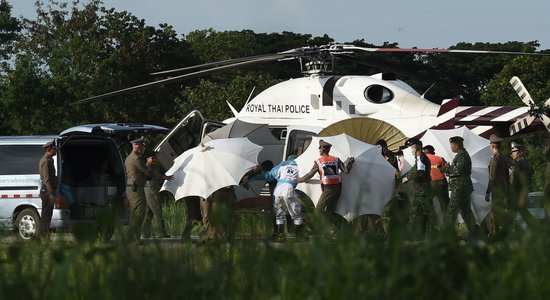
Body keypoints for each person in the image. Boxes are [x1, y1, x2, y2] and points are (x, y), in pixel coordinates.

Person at [298, 139, 354, 232]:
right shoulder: (336, 159)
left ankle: (332, 229)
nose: (319, 150)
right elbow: (346, 171)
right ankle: (338, 229)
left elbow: (309, 175)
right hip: (338, 188)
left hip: (328, 189)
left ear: (322, 149)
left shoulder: (318, 161)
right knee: (329, 212)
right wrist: (350, 163)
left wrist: (299, 180)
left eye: (319, 148)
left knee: (318, 212)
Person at [443, 136, 477, 237]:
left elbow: (459, 171)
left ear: (456, 145)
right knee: (466, 212)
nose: (451, 148)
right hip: (462, 187)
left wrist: (446, 169)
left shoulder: (462, 156)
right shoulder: (460, 155)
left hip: (460, 188)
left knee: (451, 212)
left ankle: (447, 236)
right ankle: (474, 234)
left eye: (452, 145)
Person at [405, 138, 435, 237]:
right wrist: (407, 176)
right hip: (419, 191)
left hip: (423, 191)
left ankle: (432, 235)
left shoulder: (421, 158)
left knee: (427, 213)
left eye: (412, 147)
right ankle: (417, 235)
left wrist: (408, 178)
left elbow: (420, 173)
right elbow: (414, 170)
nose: (411, 150)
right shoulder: (418, 158)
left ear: (417, 146)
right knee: (417, 214)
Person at [271, 155, 305, 241]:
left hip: (278, 191)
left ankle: (280, 236)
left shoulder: (283, 165)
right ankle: (299, 237)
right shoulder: (300, 166)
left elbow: (272, 174)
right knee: (296, 214)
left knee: (279, 214)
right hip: (290, 191)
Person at [125, 136, 152, 242]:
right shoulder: (136, 159)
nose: (143, 148)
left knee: (135, 213)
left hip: (132, 188)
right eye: (142, 146)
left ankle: (131, 236)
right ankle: (135, 237)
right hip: (136, 189)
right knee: (139, 213)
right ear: (137, 147)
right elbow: (147, 172)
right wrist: (149, 164)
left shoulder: (129, 157)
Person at [142, 152, 173, 238]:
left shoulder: (154, 166)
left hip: (152, 191)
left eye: (155, 158)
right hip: (151, 191)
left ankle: (145, 233)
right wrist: (163, 177)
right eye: (152, 158)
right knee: (157, 211)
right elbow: (151, 179)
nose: (154, 159)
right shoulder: (146, 167)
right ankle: (161, 233)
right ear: (147, 159)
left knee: (149, 212)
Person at [485, 134, 510, 236]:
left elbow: (492, 177)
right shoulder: (503, 157)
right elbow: (507, 175)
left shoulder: (494, 158)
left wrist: (487, 192)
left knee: (496, 211)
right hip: (503, 188)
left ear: (492, 146)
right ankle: (502, 231)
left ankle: (497, 233)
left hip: (497, 189)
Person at [509, 142, 535, 228]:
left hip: (518, 191)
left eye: (514, 151)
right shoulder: (519, 162)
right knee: (520, 210)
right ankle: (533, 225)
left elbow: (515, 179)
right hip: (518, 191)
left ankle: (507, 230)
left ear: (520, 152)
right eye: (512, 152)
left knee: (514, 210)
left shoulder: (522, 162)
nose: (512, 153)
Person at [422, 144, 450, 222]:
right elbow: (445, 170)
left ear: (425, 151)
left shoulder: (422, 159)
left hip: (430, 183)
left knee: (427, 204)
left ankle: (433, 222)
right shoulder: (440, 158)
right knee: (444, 205)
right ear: (433, 151)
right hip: (442, 182)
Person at [38, 140, 57, 237]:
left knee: (48, 214)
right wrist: (51, 193)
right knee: (46, 214)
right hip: (47, 191)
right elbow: (46, 179)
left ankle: (44, 234)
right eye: (54, 149)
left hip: (48, 190)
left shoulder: (50, 160)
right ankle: (43, 235)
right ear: (49, 149)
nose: (56, 150)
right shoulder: (45, 161)